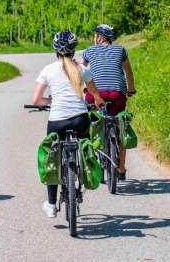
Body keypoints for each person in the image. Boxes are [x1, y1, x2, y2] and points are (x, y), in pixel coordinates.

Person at [31, 30, 106, 218]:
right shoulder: (83, 70)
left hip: (57, 122)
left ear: (55, 49)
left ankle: (50, 203)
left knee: (52, 158)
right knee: (85, 146)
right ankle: (82, 171)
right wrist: (98, 103)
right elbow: (96, 97)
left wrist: (51, 102)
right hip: (81, 119)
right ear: (74, 50)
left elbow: (36, 100)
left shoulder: (48, 70)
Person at [80, 24, 136, 180]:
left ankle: (95, 151)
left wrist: (82, 89)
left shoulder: (89, 51)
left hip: (96, 94)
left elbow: (79, 71)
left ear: (99, 37)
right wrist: (130, 89)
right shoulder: (121, 50)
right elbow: (128, 72)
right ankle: (121, 168)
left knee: (94, 121)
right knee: (121, 126)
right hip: (117, 94)